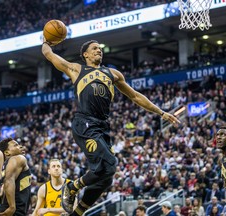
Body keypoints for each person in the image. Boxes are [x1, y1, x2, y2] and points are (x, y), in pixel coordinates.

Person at [42, 39, 180, 215]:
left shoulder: (113, 74)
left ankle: (78, 212)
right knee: (110, 164)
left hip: (102, 127)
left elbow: (136, 96)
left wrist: (161, 112)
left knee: (106, 177)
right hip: (85, 123)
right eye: (94, 49)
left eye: (100, 48)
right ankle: (72, 186)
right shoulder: (76, 69)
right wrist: (47, 40)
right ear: (85, 54)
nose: (99, 50)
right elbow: (49, 54)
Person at [0, 138, 32, 216]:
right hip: (13, 211)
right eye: (16, 145)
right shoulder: (18, 158)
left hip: (4, 210)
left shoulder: (2, 168)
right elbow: (9, 180)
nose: (20, 146)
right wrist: (12, 207)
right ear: (7, 152)